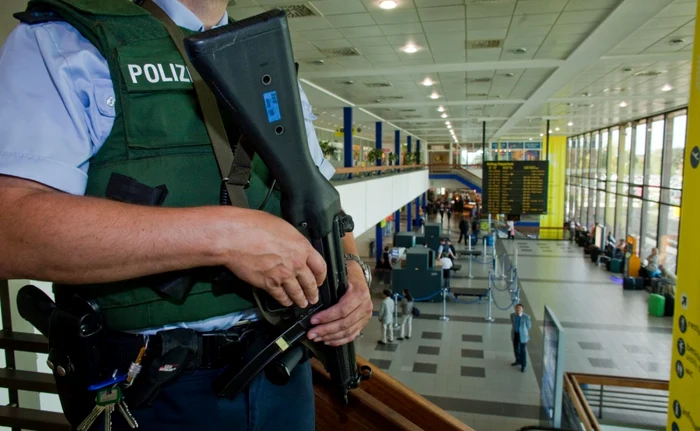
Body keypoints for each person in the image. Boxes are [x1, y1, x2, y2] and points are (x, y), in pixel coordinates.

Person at [0, 1, 373, 429]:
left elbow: (323, 200)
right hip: (150, 385)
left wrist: (351, 267)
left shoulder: (266, 59)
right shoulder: (67, 43)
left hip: (280, 367)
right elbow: (10, 228)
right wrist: (225, 237)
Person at [510, 304, 532, 373]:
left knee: (523, 350)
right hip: (515, 334)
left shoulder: (526, 317)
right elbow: (513, 324)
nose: (518, 310)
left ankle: (523, 365)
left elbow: (529, 326)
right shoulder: (512, 315)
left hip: (523, 335)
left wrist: (523, 330)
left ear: (522, 309)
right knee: (516, 348)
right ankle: (518, 360)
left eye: (519, 309)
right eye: (517, 308)